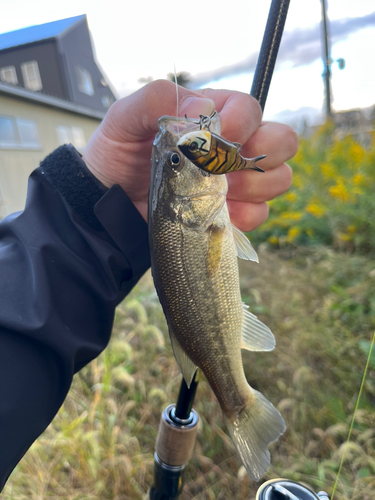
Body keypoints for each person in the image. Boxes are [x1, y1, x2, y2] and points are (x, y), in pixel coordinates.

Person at [0, 80, 298, 491]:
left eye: (174, 160)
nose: (184, 151)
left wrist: (91, 197)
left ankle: (237, 399)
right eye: (176, 163)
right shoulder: (195, 212)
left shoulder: (192, 212)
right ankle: (239, 401)